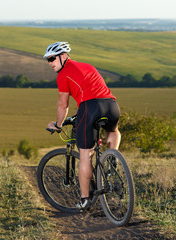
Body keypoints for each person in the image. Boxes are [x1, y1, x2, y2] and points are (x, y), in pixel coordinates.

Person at [44, 42, 121, 211]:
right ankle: (111, 159)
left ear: (64, 57)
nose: (50, 63)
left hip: (91, 108)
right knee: (113, 131)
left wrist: (58, 125)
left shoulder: (63, 75)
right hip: (111, 105)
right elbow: (91, 90)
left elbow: (63, 105)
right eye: (48, 60)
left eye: (52, 59)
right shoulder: (88, 66)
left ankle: (85, 199)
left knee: (86, 154)